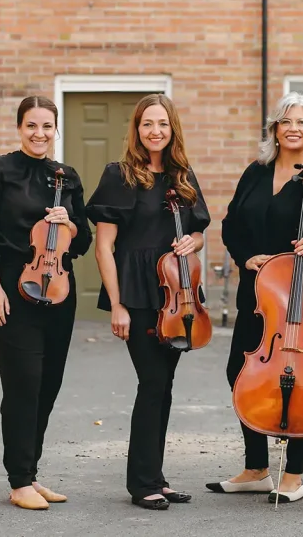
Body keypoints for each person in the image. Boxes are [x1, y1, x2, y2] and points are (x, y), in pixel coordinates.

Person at [207, 92, 303, 505]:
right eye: (286, 121)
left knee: (299, 378)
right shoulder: (255, 173)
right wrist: (246, 257)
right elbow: (231, 225)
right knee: (240, 371)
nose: (294, 128)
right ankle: (257, 468)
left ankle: (293, 474)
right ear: (274, 128)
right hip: (260, 293)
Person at [0, 95, 93, 511]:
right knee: (23, 383)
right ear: (19, 129)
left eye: (46, 126)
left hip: (57, 289)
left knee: (48, 385)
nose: (39, 134)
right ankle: (18, 480)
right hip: (9, 289)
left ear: (56, 130)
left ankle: (31, 474)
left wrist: (69, 224)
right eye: (31, 126)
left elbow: (85, 241)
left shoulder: (66, 176)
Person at [86, 93, 211, 511]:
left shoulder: (182, 175)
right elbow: (104, 248)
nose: (155, 131)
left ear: (171, 127)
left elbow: (198, 233)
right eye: (147, 124)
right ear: (136, 130)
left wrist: (191, 240)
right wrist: (117, 305)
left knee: (165, 386)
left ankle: (155, 476)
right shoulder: (119, 175)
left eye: (162, 123)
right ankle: (141, 483)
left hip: (175, 295)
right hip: (137, 294)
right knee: (153, 383)